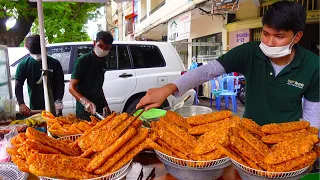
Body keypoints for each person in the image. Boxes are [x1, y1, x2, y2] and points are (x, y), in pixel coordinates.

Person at [136, 1, 319, 126]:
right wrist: (168, 88)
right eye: (265, 33)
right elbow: (209, 71)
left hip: (287, 138)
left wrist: (310, 143)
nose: (269, 42)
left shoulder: (313, 66)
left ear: (297, 37)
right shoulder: (249, 52)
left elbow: (313, 116)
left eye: (279, 37)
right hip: (248, 134)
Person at [15, 35, 65, 116]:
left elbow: (60, 84)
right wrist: (21, 104)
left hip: (54, 107)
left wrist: (58, 100)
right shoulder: (24, 64)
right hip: (35, 108)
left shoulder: (54, 63)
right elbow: (18, 85)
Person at [69, 31, 113, 120]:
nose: (103, 50)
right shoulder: (82, 61)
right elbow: (71, 87)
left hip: (99, 108)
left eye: (106, 48)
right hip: (84, 110)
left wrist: (106, 105)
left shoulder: (102, 61)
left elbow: (99, 86)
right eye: (100, 46)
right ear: (94, 43)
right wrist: (85, 101)